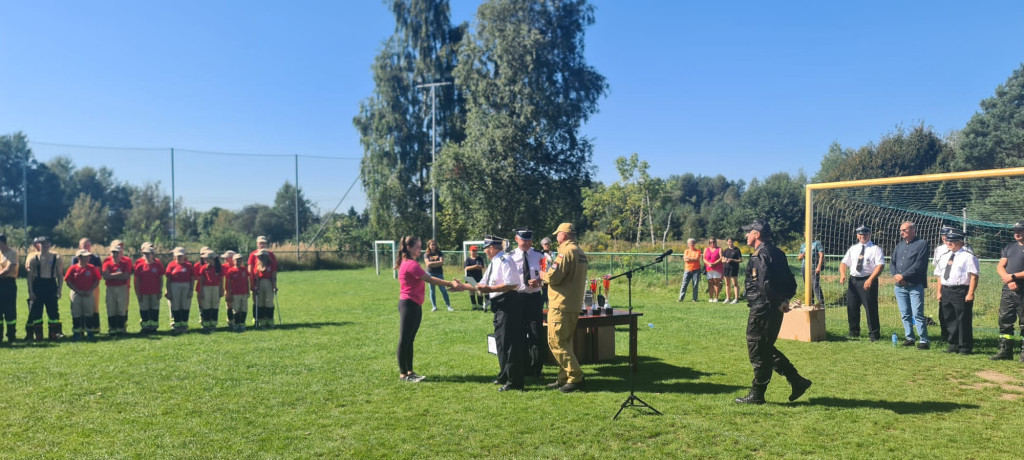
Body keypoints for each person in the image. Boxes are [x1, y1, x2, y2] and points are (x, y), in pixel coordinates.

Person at [734, 219, 811, 405]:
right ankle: (796, 380)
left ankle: (758, 393)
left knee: (756, 348)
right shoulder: (778, 253)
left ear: (757, 234)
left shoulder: (760, 255)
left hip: (763, 307)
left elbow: (764, 284)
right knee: (765, 346)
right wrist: (784, 300)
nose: (746, 235)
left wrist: (776, 301)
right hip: (773, 306)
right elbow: (791, 282)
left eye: (749, 232)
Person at [394, 236, 462, 383]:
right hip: (408, 304)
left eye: (420, 246)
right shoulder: (410, 264)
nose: (420, 249)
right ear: (409, 248)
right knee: (404, 340)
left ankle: (410, 372)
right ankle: (403, 374)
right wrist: (450, 283)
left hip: (415, 305)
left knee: (410, 340)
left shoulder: (410, 262)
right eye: (417, 247)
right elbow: (430, 278)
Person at [461, 235, 525, 391]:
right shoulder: (493, 263)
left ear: (492, 248)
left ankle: (514, 381)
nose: (484, 251)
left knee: (509, 343)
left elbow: (512, 284)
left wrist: (489, 289)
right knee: (501, 342)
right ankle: (504, 374)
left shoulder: (505, 260)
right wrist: (462, 286)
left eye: (486, 248)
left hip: (508, 303)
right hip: (498, 305)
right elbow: (481, 285)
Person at [540, 223, 588, 393]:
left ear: (564, 235)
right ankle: (563, 378)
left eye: (557, 234)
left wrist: (542, 275)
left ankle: (575, 376)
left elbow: (554, 277)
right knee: (565, 343)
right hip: (573, 305)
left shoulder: (564, 252)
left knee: (556, 341)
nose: (556, 238)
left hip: (560, 304)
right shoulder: (580, 252)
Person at [508, 228, 546, 380]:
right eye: (524, 240)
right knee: (519, 334)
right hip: (517, 298)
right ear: (516, 239)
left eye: (529, 240)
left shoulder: (540, 256)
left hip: (534, 298)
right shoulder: (509, 257)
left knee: (536, 334)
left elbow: (548, 275)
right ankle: (523, 367)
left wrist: (539, 281)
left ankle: (536, 370)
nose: (527, 243)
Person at [934, 228, 979, 355]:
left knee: (962, 319)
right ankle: (953, 343)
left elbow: (974, 276)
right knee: (949, 318)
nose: (948, 243)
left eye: (952, 241)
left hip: (960, 290)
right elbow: (939, 276)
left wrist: (970, 293)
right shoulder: (944, 256)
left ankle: (965, 346)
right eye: (948, 240)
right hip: (946, 290)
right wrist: (939, 291)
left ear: (960, 242)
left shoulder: (968, 257)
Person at [838, 226, 885, 341]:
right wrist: (843, 274)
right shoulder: (853, 249)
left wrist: (870, 280)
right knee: (852, 306)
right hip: (854, 280)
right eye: (860, 234)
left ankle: (874, 334)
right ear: (857, 235)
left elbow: (880, 266)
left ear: (869, 235)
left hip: (868, 280)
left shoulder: (875, 249)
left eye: (865, 234)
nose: (862, 236)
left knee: (870, 307)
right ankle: (854, 331)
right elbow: (844, 263)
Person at [890, 221, 931, 350]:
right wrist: (896, 276)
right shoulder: (899, 246)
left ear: (913, 230)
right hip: (899, 286)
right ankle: (909, 338)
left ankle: (924, 340)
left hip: (914, 285)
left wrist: (904, 276)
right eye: (901, 230)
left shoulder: (922, 244)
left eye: (905, 230)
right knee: (905, 313)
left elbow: (919, 265)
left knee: (917, 313)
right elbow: (892, 262)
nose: (902, 233)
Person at [992, 221, 1024, 361]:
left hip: (1022, 288)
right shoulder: (1009, 246)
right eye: (1015, 230)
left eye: (1020, 230)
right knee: (1004, 319)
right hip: (1008, 289)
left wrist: (1013, 277)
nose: (1016, 233)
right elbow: (1000, 266)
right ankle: (1005, 350)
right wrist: (1008, 279)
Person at [25, 236, 64, 340]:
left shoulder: (57, 257)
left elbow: (60, 275)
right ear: (39, 245)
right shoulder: (34, 258)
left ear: (50, 244)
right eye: (42, 244)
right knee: (37, 311)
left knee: (53, 311)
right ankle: (39, 335)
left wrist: (60, 289)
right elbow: (29, 276)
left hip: (51, 284)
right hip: (38, 284)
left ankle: (53, 334)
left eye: (47, 243)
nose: (45, 246)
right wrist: (30, 291)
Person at [65, 249, 101, 341]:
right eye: (85, 256)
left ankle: (89, 332)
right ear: (79, 257)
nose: (88, 258)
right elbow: (68, 281)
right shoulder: (73, 268)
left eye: (88, 256)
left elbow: (97, 280)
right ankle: (77, 332)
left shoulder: (92, 268)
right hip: (76, 293)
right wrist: (76, 290)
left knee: (89, 313)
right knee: (76, 313)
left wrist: (91, 290)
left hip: (88, 293)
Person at [101, 243, 133, 335]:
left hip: (122, 287)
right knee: (111, 307)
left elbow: (126, 276)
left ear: (120, 253)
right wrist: (119, 274)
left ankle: (121, 328)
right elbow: (105, 276)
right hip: (110, 288)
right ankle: (112, 328)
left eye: (117, 253)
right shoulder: (107, 262)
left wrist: (111, 275)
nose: (115, 255)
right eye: (113, 253)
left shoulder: (125, 263)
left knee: (121, 308)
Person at [133, 242, 164, 333]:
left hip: (155, 291)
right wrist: (138, 293)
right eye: (145, 254)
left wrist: (160, 291)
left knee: (154, 308)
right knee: (144, 309)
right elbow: (137, 280)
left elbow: (161, 279)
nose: (146, 255)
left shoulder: (158, 265)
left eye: (148, 254)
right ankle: (145, 327)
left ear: (153, 254)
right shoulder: (140, 265)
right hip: (143, 292)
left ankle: (154, 326)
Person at [248, 236, 278, 327]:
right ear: (257, 244)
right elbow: (250, 270)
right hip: (258, 281)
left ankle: (269, 319)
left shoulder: (270, 254)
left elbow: (274, 270)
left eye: (263, 243)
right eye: (260, 243)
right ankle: (259, 319)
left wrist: (274, 284)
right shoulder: (253, 255)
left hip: (268, 281)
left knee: (269, 301)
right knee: (259, 301)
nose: (262, 245)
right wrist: (252, 284)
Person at [71, 238, 103, 323]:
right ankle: (80, 328)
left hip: (93, 286)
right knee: (78, 307)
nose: (87, 247)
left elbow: (98, 272)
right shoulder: (75, 258)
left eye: (88, 245)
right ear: (80, 246)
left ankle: (94, 327)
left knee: (94, 306)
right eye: (84, 245)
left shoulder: (95, 258)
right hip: (79, 288)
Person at [165, 247, 194, 334]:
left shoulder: (189, 265)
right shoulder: (171, 265)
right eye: (178, 256)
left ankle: (184, 325)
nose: (179, 258)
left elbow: (192, 278)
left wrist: (191, 290)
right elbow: (168, 279)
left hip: (186, 286)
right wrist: (168, 290)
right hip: (174, 286)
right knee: (175, 305)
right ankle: (176, 325)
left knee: (185, 305)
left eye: (181, 256)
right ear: (174, 256)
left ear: (184, 256)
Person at [195, 249, 225, 333]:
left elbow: (221, 280)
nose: (206, 260)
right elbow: (201, 280)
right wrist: (201, 291)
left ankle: (213, 324)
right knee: (206, 305)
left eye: (208, 258)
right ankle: (206, 324)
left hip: (215, 287)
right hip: (206, 287)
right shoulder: (204, 268)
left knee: (215, 305)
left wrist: (221, 290)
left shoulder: (218, 268)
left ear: (212, 258)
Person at [424, 239, 453, 312]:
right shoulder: (426, 254)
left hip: (439, 273)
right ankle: (434, 306)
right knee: (432, 290)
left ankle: (448, 306)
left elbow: (441, 262)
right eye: (431, 244)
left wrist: (432, 263)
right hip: (430, 273)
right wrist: (437, 263)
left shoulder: (439, 253)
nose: (433, 246)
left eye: (434, 244)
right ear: (429, 245)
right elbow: (428, 264)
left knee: (443, 289)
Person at [225, 253, 250, 332]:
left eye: (240, 260)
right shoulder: (231, 271)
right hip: (235, 293)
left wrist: (248, 291)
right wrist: (229, 293)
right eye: (236, 260)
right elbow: (228, 283)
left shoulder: (245, 269)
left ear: (242, 261)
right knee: (236, 309)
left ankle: (242, 324)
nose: (238, 262)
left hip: (244, 292)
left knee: (244, 308)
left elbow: (247, 281)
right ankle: (236, 324)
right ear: (233, 261)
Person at [0, 234, 18, 343]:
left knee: (9, 310)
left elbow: (10, 267)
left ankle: (11, 335)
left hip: (8, 283)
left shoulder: (12, 253)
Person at [796, 238, 824, 306]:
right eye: (805, 234)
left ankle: (821, 303)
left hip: (814, 267)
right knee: (807, 285)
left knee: (815, 285)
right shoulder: (803, 245)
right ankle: (811, 302)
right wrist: (802, 255)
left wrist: (819, 266)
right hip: (804, 267)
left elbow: (821, 255)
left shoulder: (816, 243)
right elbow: (799, 258)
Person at [464, 245, 485, 311]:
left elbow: (481, 266)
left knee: (479, 292)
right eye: (473, 251)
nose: (474, 252)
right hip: (470, 278)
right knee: (471, 292)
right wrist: (475, 266)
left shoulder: (480, 259)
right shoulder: (468, 259)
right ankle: (474, 306)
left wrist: (474, 267)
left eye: (475, 251)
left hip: (478, 278)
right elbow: (466, 268)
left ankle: (480, 306)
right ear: (470, 251)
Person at [721, 237, 742, 304]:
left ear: (733, 242)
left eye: (731, 241)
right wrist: (725, 260)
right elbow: (722, 259)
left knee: (735, 283)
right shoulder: (726, 250)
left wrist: (732, 260)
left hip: (734, 268)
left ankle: (736, 299)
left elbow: (740, 260)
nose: (730, 243)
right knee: (727, 283)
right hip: (726, 268)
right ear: (727, 242)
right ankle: (728, 298)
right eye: (729, 241)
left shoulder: (737, 250)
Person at [703, 238, 724, 302]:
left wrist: (714, 263)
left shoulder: (719, 249)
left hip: (717, 268)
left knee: (716, 282)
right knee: (710, 283)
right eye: (710, 242)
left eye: (713, 242)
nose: (712, 243)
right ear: (709, 243)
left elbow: (721, 257)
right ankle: (711, 297)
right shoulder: (706, 249)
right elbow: (703, 258)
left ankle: (716, 297)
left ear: (716, 242)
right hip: (709, 268)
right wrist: (708, 263)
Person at [221, 250, 237, 326]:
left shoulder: (237, 266)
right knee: (229, 304)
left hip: (236, 288)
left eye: (227, 258)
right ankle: (230, 320)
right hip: (227, 288)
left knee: (236, 304)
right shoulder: (223, 266)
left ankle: (236, 320)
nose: (225, 259)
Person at [539, 237, 555, 308]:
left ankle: (549, 308)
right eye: (545, 244)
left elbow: (554, 263)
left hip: (551, 275)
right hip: (543, 276)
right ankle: (541, 308)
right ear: (542, 245)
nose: (547, 245)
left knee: (550, 294)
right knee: (544, 293)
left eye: (548, 244)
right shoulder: (540, 253)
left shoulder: (553, 253)